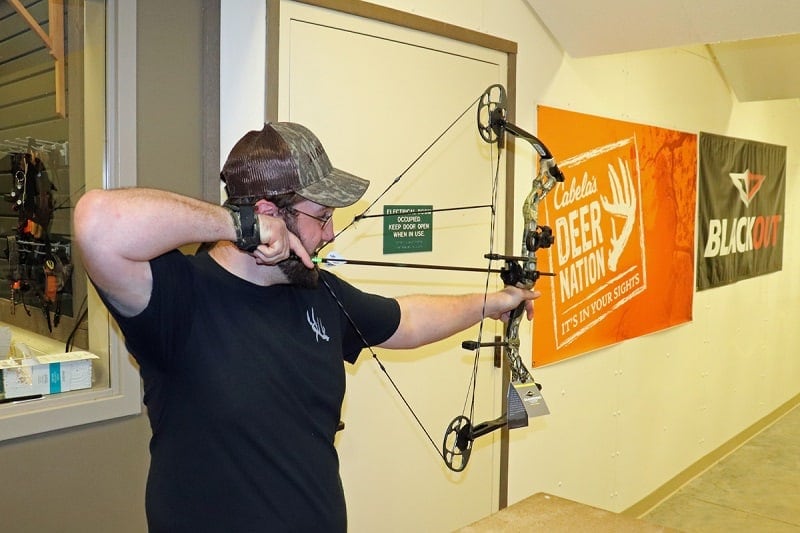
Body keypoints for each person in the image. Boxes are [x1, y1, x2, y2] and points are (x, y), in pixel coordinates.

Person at [73, 122, 540, 532]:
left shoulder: (318, 291)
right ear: (268, 214)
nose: (331, 234)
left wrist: (493, 302)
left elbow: (407, 319)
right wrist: (238, 226)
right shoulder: (177, 296)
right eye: (322, 217)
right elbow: (96, 222)